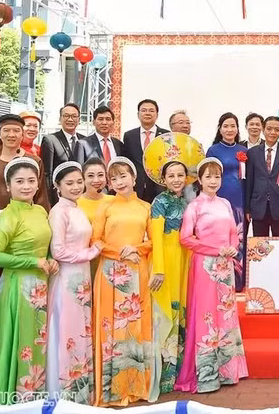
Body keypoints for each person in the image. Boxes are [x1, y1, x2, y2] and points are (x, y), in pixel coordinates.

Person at [0, 157, 57, 405]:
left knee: (35, 341)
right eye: (19, 181)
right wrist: (32, 262)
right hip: (16, 289)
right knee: (19, 342)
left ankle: (32, 401)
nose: (26, 186)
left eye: (30, 180)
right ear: (8, 186)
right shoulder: (8, 215)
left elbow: (43, 245)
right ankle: (11, 401)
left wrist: (49, 258)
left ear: (38, 184)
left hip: (39, 287)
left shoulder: (40, 210)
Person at [176, 157, 248, 393]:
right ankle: (206, 375)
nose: (213, 181)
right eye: (208, 176)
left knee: (225, 313)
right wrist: (216, 250)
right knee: (207, 315)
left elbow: (234, 231)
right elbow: (186, 239)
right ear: (200, 179)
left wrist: (233, 247)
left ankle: (228, 370)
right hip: (205, 265)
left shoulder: (226, 204)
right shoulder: (194, 206)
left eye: (217, 176)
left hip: (225, 265)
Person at [91, 157, 155, 406]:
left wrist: (137, 248)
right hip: (110, 272)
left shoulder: (145, 207)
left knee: (134, 327)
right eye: (114, 178)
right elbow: (95, 240)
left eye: (123, 176)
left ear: (134, 177)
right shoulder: (105, 207)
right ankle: (112, 389)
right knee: (111, 326)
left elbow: (152, 240)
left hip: (136, 270)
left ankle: (137, 385)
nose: (119, 181)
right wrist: (117, 253)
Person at [46, 161, 101, 404]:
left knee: (81, 327)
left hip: (82, 277)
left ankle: (80, 390)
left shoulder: (77, 208)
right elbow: (58, 251)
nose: (77, 186)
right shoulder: (59, 212)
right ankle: (65, 391)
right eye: (70, 183)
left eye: (79, 181)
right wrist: (90, 253)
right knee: (68, 329)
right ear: (57, 186)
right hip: (68, 277)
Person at [150, 160, 190, 395]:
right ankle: (163, 373)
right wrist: (159, 268)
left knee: (180, 311)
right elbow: (156, 235)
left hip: (183, 259)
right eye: (171, 175)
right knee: (166, 312)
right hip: (166, 259)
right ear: (163, 179)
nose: (176, 179)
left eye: (180, 175)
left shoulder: (184, 202)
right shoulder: (160, 202)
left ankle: (176, 370)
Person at [0, 114, 49, 212]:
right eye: (6, 130)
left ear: (22, 134)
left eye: (16, 131)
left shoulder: (34, 161)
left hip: (24, 220)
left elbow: (41, 196)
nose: (11, 135)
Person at [206, 113, 247, 289]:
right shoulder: (213, 150)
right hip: (221, 201)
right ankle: (221, 279)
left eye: (233, 126)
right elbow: (208, 177)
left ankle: (238, 281)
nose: (230, 129)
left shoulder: (244, 151)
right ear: (220, 129)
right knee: (222, 238)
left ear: (237, 129)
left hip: (240, 201)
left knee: (239, 239)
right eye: (226, 126)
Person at [245, 116, 279, 237]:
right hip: (258, 206)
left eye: (277, 129)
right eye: (269, 129)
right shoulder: (253, 153)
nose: (273, 132)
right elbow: (249, 183)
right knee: (260, 246)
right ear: (263, 129)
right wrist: (247, 208)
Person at [123, 99, 169, 203]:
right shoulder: (129, 136)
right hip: (136, 188)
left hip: (160, 188)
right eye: (144, 110)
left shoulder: (166, 135)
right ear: (138, 114)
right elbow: (127, 162)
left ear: (157, 115)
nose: (147, 113)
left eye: (151, 111)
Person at [41, 103, 85, 206]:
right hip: (59, 197)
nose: (70, 119)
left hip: (81, 196)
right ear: (60, 119)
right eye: (66, 116)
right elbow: (48, 174)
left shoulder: (85, 140)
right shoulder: (50, 140)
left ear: (79, 120)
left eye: (74, 116)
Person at [77, 158, 113, 224]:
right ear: (83, 178)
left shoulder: (114, 201)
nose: (96, 180)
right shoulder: (75, 203)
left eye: (100, 175)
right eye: (90, 176)